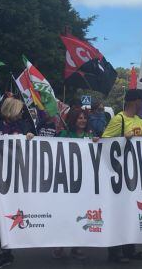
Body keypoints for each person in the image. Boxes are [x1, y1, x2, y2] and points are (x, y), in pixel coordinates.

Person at [102, 89, 142, 264]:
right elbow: (105, 142)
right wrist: (123, 138)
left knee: (132, 212)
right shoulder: (118, 119)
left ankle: (130, 249)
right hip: (118, 174)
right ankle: (114, 251)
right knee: (117, 212)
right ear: (134, 101)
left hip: (136, 175)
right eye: (140, 101)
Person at [0, 95, 36, 269]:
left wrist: (31, 137)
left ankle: (26, 239)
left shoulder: (24, 125)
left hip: (21, 177)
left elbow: (37, 145)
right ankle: (5, 252)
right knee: (1, 215)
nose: (21, 113)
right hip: (0, 177)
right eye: (19, 110)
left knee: (22, 211)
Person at [52, 107, 97, 260]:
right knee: (64, 213)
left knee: (80, 214)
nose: (83, 120)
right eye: (79, 118)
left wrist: (97, 143)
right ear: (73, 120)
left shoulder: (90, 136)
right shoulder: (64, 135)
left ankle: (77, 246)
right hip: (66, 182)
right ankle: (60, 244)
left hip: (84, 183)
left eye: (85, 118)